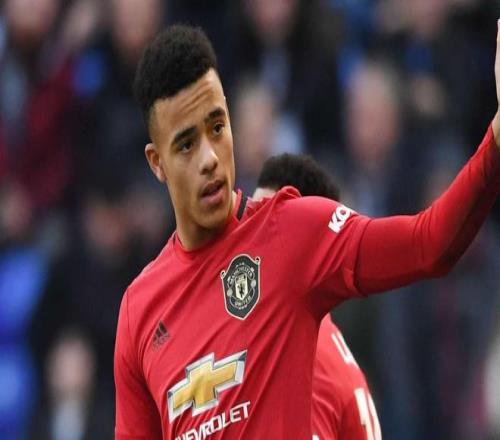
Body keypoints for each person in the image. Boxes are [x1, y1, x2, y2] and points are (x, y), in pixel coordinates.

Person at [114, 23, 500, 439]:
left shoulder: (291, 232)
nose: (209, 158)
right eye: (187, 144)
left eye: (217, 127)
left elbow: (429, 243)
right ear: (157, 163)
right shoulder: (139, 312)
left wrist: (497, 134)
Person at [253, 153, 381, 440]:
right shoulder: (321, 337)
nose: (247, 239)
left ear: (306, 242)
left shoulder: (301, 357)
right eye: (248, 218)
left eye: (264, 225)